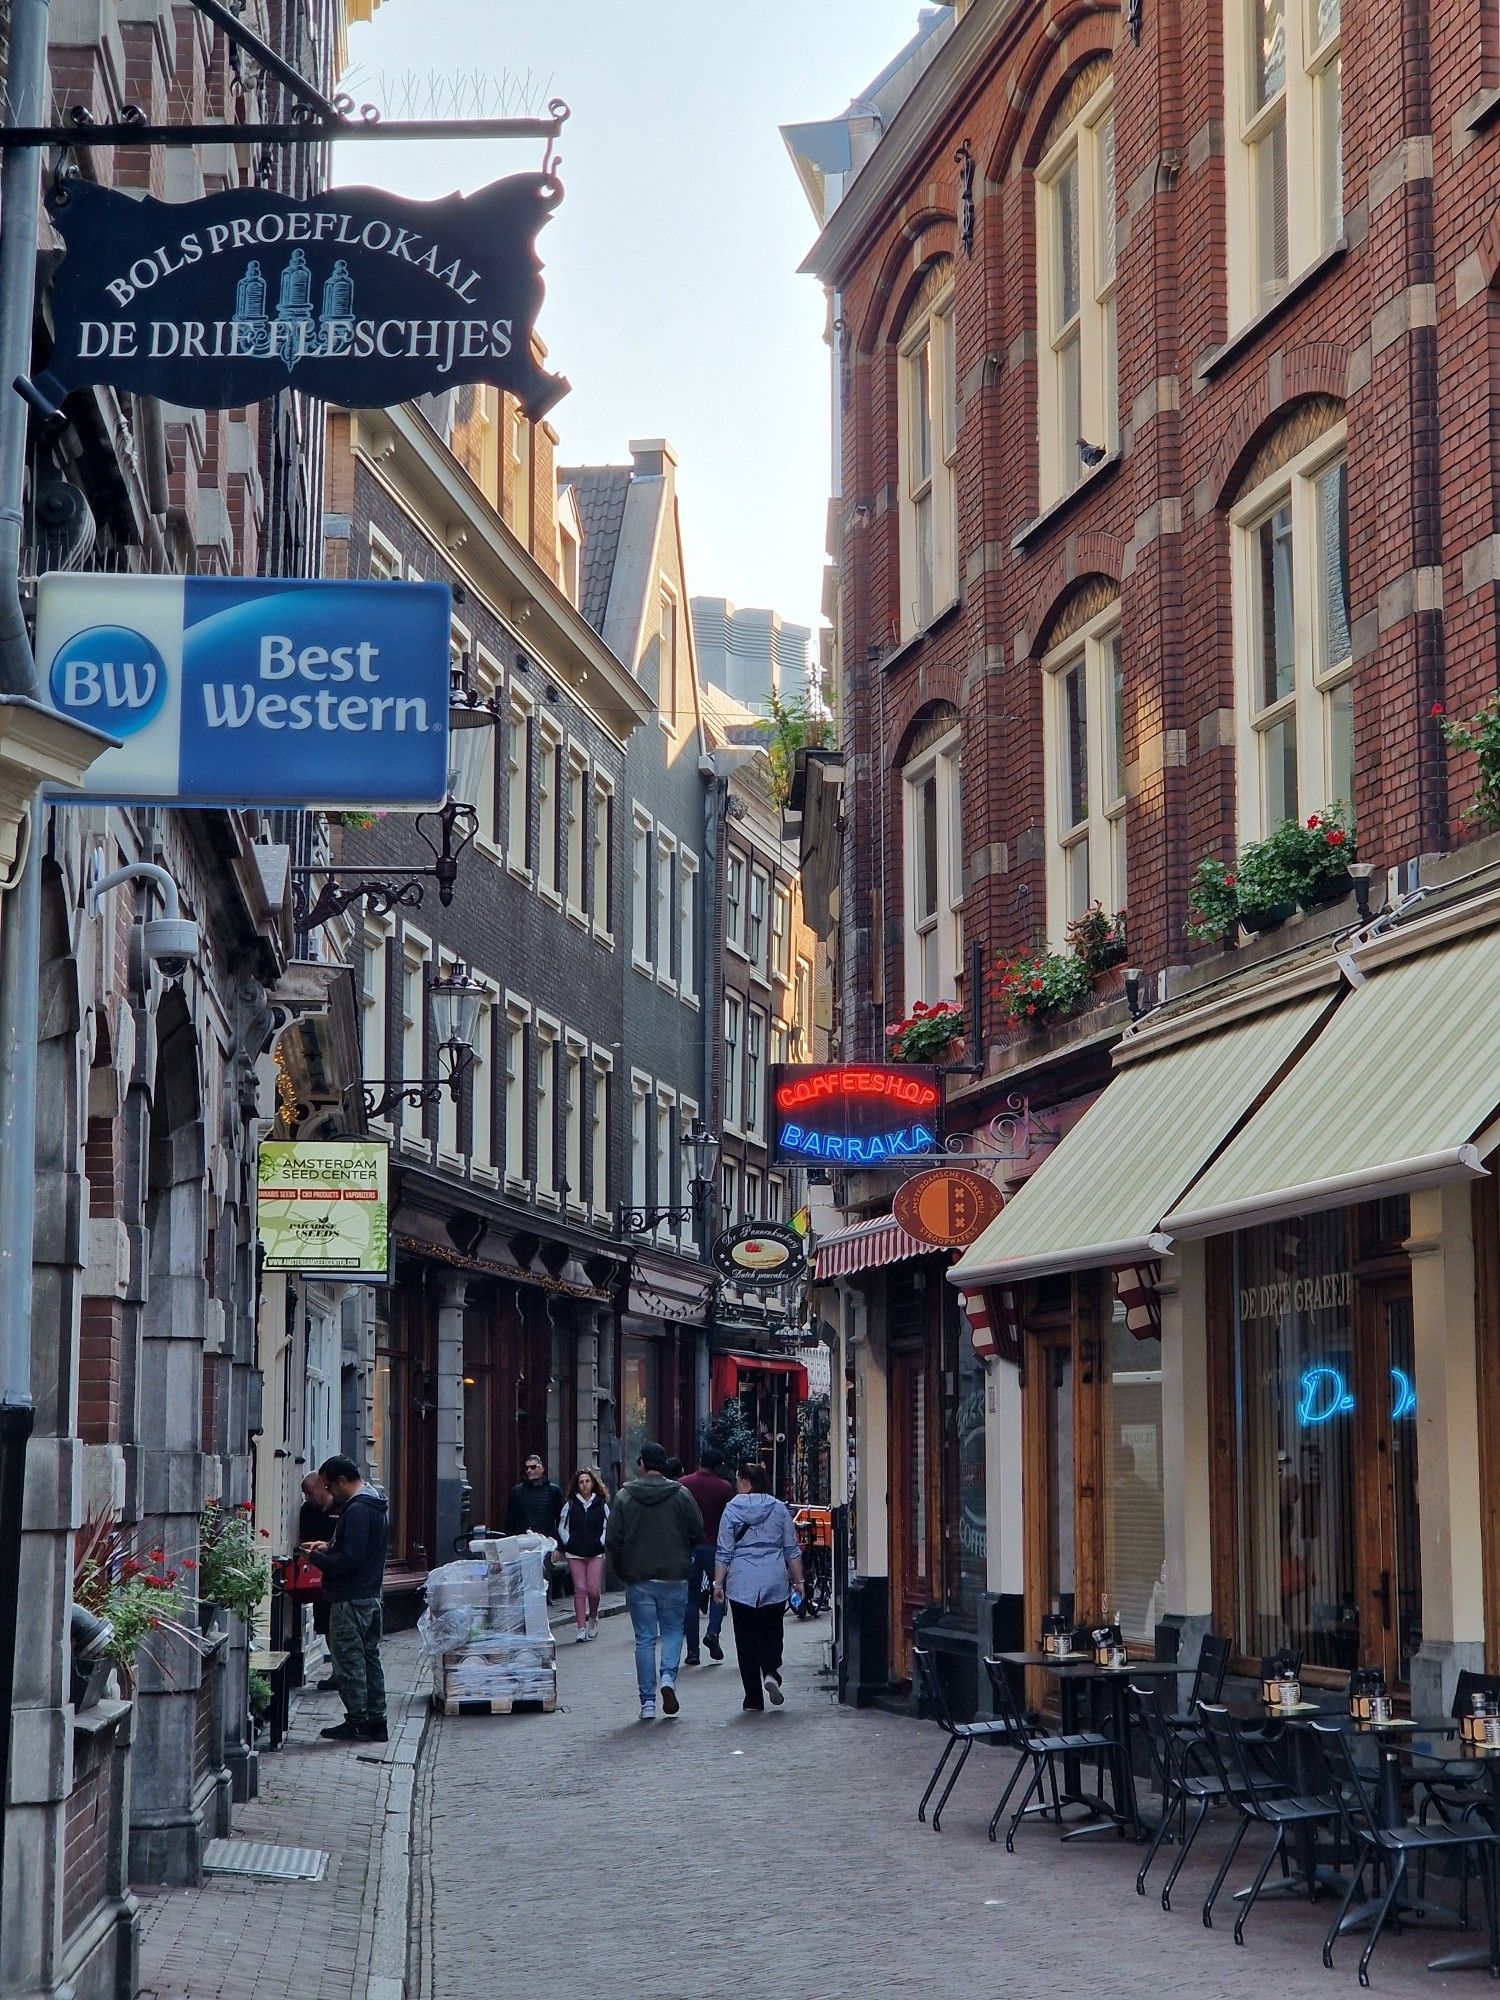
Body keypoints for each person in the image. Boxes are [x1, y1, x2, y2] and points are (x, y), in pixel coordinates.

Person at [604, 1441, 702, 1721]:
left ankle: (647, 1702)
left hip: (639, 1577)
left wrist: (623, 1569)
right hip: (674, 1575)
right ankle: (668, 1677)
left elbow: (612, 1539)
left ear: (642, 1464)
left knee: (645, 1639)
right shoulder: (681, 1494)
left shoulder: (624, 1496)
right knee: (673, 1630)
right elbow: (697, 1531)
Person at [306, 1455, 389, 1743]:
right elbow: (360, 1547)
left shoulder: (356, 1510)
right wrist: (329, 1545)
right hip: (370, 1595)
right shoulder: (375, 1502)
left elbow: (350, 1560)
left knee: (349, 1663)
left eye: (329, 1486)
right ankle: (377, 1720)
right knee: (369, 1660)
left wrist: (315, 1557)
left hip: (350, 1599)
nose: (329, 1493)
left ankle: (357, 1722)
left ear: (342, 1480)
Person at [713, 1463, 803, 1713]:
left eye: (738, 1480)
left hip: (741, 1581)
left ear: (745, 1482)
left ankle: (753, 1698)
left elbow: (724, 1550)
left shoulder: (731, 1509)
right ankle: (772, 1672)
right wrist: (799, 1582)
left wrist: (718, 1583)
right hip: (773, 1577)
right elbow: (791, 1550)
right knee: (772, 1629)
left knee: (745, 1638)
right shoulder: (778, 1508)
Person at [680, 1447, 734, 1665]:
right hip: (715, 1547)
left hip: (689, 1547)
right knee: (718, 1591)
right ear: (719, 1466)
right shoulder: (724, 1488)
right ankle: (713, 1632)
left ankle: (692, 1651)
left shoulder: (683, 1484)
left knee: (690, 1599)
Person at [296, 1471, 340, 1690]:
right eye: (304, 1494)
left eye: (310, 1493)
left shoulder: (342, 1507)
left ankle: (343, 1672)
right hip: (320, 1575)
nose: (307, 1499)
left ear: (323, 1488)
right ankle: (338, 1671)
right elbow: (304, 1538)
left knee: (340, 1624)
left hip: (341, 1575)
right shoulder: (307, 1511)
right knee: (326, 1625)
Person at [557, 1466, 610, 1642]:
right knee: (580, 1589)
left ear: (593, 1483)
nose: (584, 1485)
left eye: (587, 1481)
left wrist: (601, 1542)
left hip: (595, 1552)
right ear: (577, 1485)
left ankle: (593, 1618)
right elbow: (562, 1526)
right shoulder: (571, 1504)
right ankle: (580, 1627)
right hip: (575, 1552)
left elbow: (607, 1526)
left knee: (593, 1590)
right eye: (581, 1482)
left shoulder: (601, 1504)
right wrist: (568, 1542)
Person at [504, 1453, 564, 1541]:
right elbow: (510, 1521)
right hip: (523, 1541)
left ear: (541, 1468)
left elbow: (560, 1520)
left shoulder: (553, 1491)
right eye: (526, 1467)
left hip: (547, 1540)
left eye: (533, 1467)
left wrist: (559, 1546)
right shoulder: (517, 1491)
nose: (529, 1470)